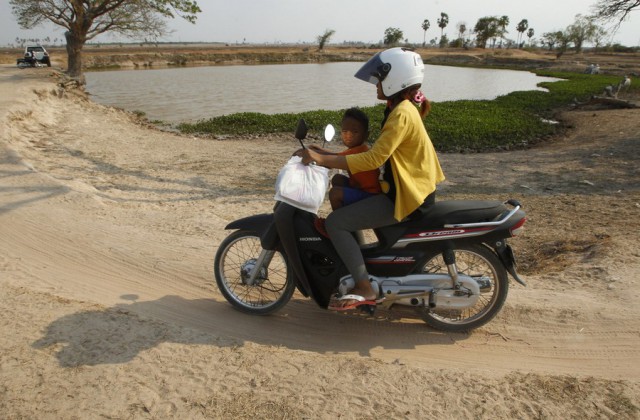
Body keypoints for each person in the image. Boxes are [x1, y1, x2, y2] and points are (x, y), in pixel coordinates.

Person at [296, 47, 445, 311]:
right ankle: (360, 265)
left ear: (395, 79)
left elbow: (373, 159)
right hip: (405, 189)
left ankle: (363, 286)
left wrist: (323, 160)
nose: (376, 84)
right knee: (344, 199)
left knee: (336, 222)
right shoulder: (401, 108)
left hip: (406, 197)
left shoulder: (401, 114)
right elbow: (376, 155)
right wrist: (325, 153)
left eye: (379, 78)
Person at [311, 108, 381, 236]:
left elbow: (335, 159)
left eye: (355, 131)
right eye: (344, 131)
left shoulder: (360, 151)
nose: (348, 135)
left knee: (335, 193)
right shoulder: (355, 149)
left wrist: (316, 153)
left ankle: (340, 225)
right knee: (337, 178)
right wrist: (317, 151)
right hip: (359, 187)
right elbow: (336, 157)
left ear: (366, 135)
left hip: (369, 194)